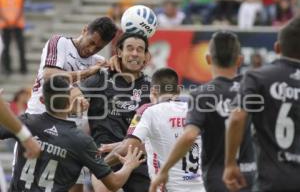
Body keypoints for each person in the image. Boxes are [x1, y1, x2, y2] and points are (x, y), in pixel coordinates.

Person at [150, 31, 256, 192]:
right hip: (250, 174)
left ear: (208, 59)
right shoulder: (253, 89)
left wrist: (164, 171)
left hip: (219, 177)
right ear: (240, 60)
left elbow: (190, 135)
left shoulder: (202, 94)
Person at [0, 75, 145, 192]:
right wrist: (129, 165)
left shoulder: (26, 122)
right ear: (71, 99)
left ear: (42, 100)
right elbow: (113, 183)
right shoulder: (81, 141)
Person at [223, 17, 300, 192]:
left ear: (277, 48)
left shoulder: (257, 77)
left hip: (273, 181)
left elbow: (236, 118)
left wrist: (230, 164)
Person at [105, 67, 205, 192]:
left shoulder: (149, 111)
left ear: (153, 91)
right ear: (178, 91)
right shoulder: (195, 111)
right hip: (201, 187)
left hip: (168, 188)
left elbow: (128, 147)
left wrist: (98, 165)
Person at [77, 33, 151, 192]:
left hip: (138, 159)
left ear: (146, 56)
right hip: (104, 159)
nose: (134, 54)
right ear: (118, 52)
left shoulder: (151, 87)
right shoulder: (101, 77)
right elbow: (73, 96)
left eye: (140, 50)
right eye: (129, 48)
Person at [26, 16, 118, 115]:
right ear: (85, 30)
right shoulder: (60, 42)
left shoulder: (99, 62)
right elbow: (49, 76)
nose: (91, 50)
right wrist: (88, 72)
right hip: (40, 115)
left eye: (98, 48)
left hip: (70, 125)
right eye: (91, 42)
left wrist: (116, 60)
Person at [0, 0, 27, 75]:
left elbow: (21, 8)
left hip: (18, 24)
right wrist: (7, 20)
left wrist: (14, 20)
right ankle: (7, 68)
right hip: (5, 24)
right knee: (6, 48)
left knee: (21, 47)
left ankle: (23, 68)